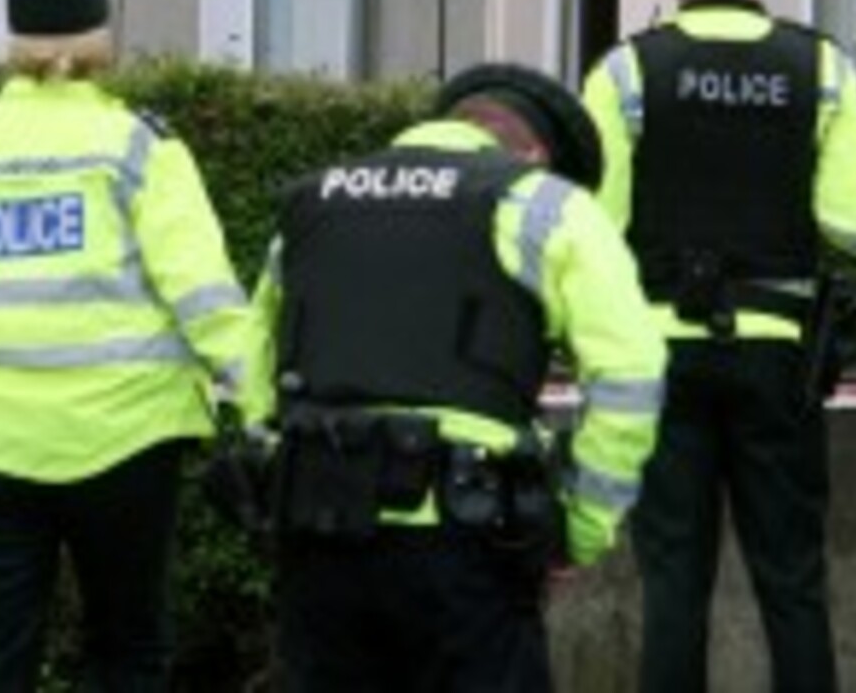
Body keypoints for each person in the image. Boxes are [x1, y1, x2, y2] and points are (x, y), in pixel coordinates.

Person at [237, 62, 667, 692]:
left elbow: (254, 360)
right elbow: (631, 374)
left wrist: (278, 478)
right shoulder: (543, 204)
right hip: (466, 541)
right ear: (537, 155)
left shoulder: (314, 202)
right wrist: (579, 528)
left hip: (319, 530)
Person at [580, 0, 856, 693]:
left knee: (673, 583)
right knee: (792, 582)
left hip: (659, 357)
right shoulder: (818, 65)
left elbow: (591, 229)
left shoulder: (626, 71)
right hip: (777, 362)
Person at [0, 0, 249, 690]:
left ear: (13, 43)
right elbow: (204, 297)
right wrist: (266, 398)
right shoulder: (138, 148)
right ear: (101, 39)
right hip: (128, 440)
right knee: (126, 650)